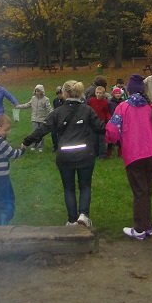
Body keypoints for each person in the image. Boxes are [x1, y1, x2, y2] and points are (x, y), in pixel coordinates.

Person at [23, 80, 104, 227]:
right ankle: (84, 215)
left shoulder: (57, 112)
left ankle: (72, 219)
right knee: (85, 186)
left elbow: (43, 129)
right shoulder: (88, 110)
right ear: (80, 93)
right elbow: (100, 128)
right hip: (85, 154)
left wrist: (26, 142)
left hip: (65, 156)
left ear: (64, 94)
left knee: (69, 188)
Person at [105, 74, 152, 240]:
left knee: (140, 192)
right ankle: (147, 224)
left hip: (134, 155)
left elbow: (111, 130)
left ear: (129, 90)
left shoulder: (123, 107)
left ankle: (140, 228)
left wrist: (114, 140)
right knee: (146, 190)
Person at [16, 84, 53, 152]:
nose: (37, 92)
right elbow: (27, 104)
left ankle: (40, 146)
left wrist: (53, 113)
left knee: (41, 133)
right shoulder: (33, 98)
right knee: (34, 133)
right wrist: (19, 106)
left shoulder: (46, 99)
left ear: (42, 91)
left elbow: (49, 108)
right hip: (34, 119)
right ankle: (34, 145)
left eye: (38, 91)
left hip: (42, 119)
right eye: (36, 91)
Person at [87, 86, 111, 158]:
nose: (98, 94)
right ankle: (95, 153)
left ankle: (102, 155)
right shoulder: (91, 100)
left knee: (102, 140)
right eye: (97, 93)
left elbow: (107, 112)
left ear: (103, 94)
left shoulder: (105, 102)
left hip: (101, 123)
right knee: (94, 139)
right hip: (93, 122)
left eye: (100, 93)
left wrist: (108, 120)